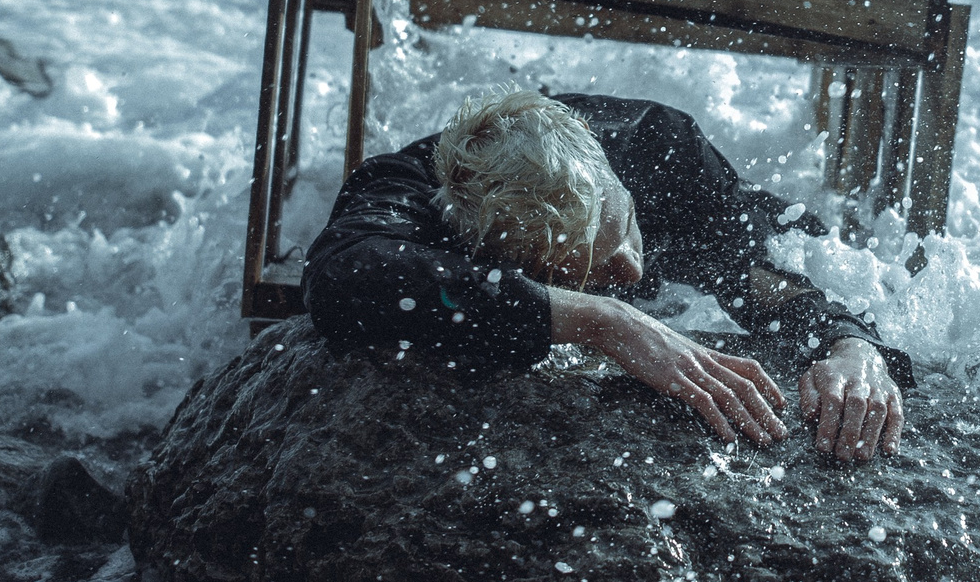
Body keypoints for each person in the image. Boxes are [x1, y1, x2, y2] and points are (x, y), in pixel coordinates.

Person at [304, 88, 911, 461]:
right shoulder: (401, 194)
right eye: (586, 272)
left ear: (613, 175)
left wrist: (852, 345)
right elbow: (339, 278)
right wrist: (600, 318)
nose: (631, 266)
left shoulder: (658, 148)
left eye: (619, 227)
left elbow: (769, 269)